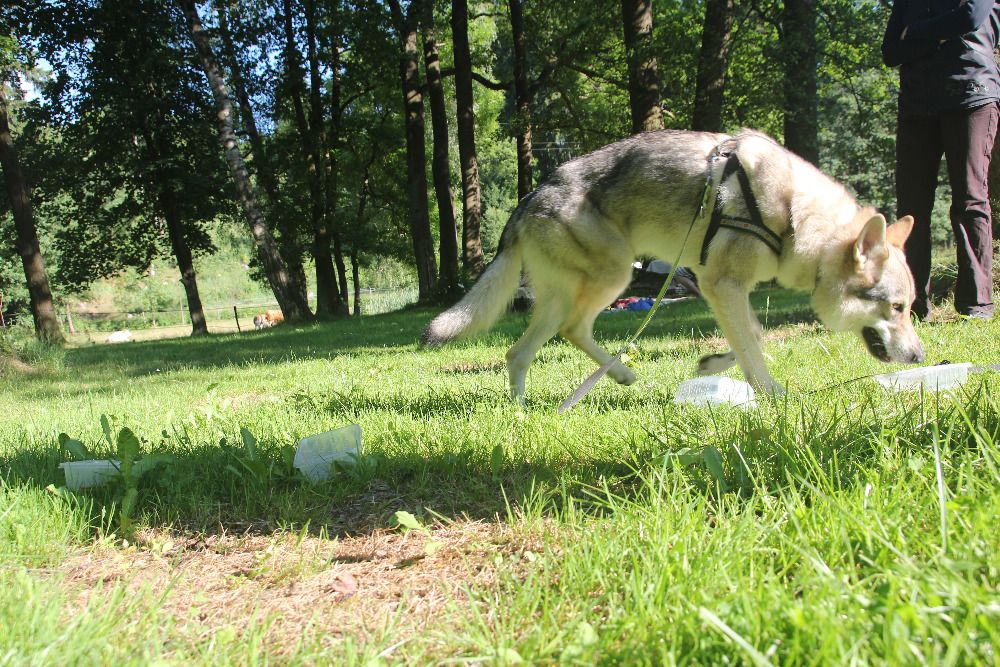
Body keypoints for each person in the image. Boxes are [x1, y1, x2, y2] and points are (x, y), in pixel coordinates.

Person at [882, 0, 1000, 321]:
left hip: (970, 92)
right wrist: (942, 33)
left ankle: (976, 304)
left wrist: (916, 34)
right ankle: (912, 304)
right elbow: (890, 51)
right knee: (911, 208)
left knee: (970, 200)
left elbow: (972, 16)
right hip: (917, 104)